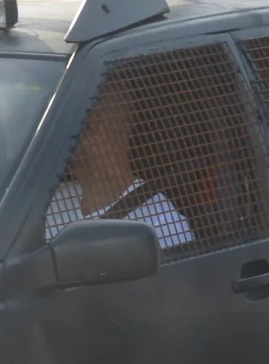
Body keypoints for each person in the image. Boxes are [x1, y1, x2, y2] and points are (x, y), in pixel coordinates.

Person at [45, 88, 194, 249]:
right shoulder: (50, 203)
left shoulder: (163, 225)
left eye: (70, 125)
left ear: (93, 126)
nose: (59, 139)